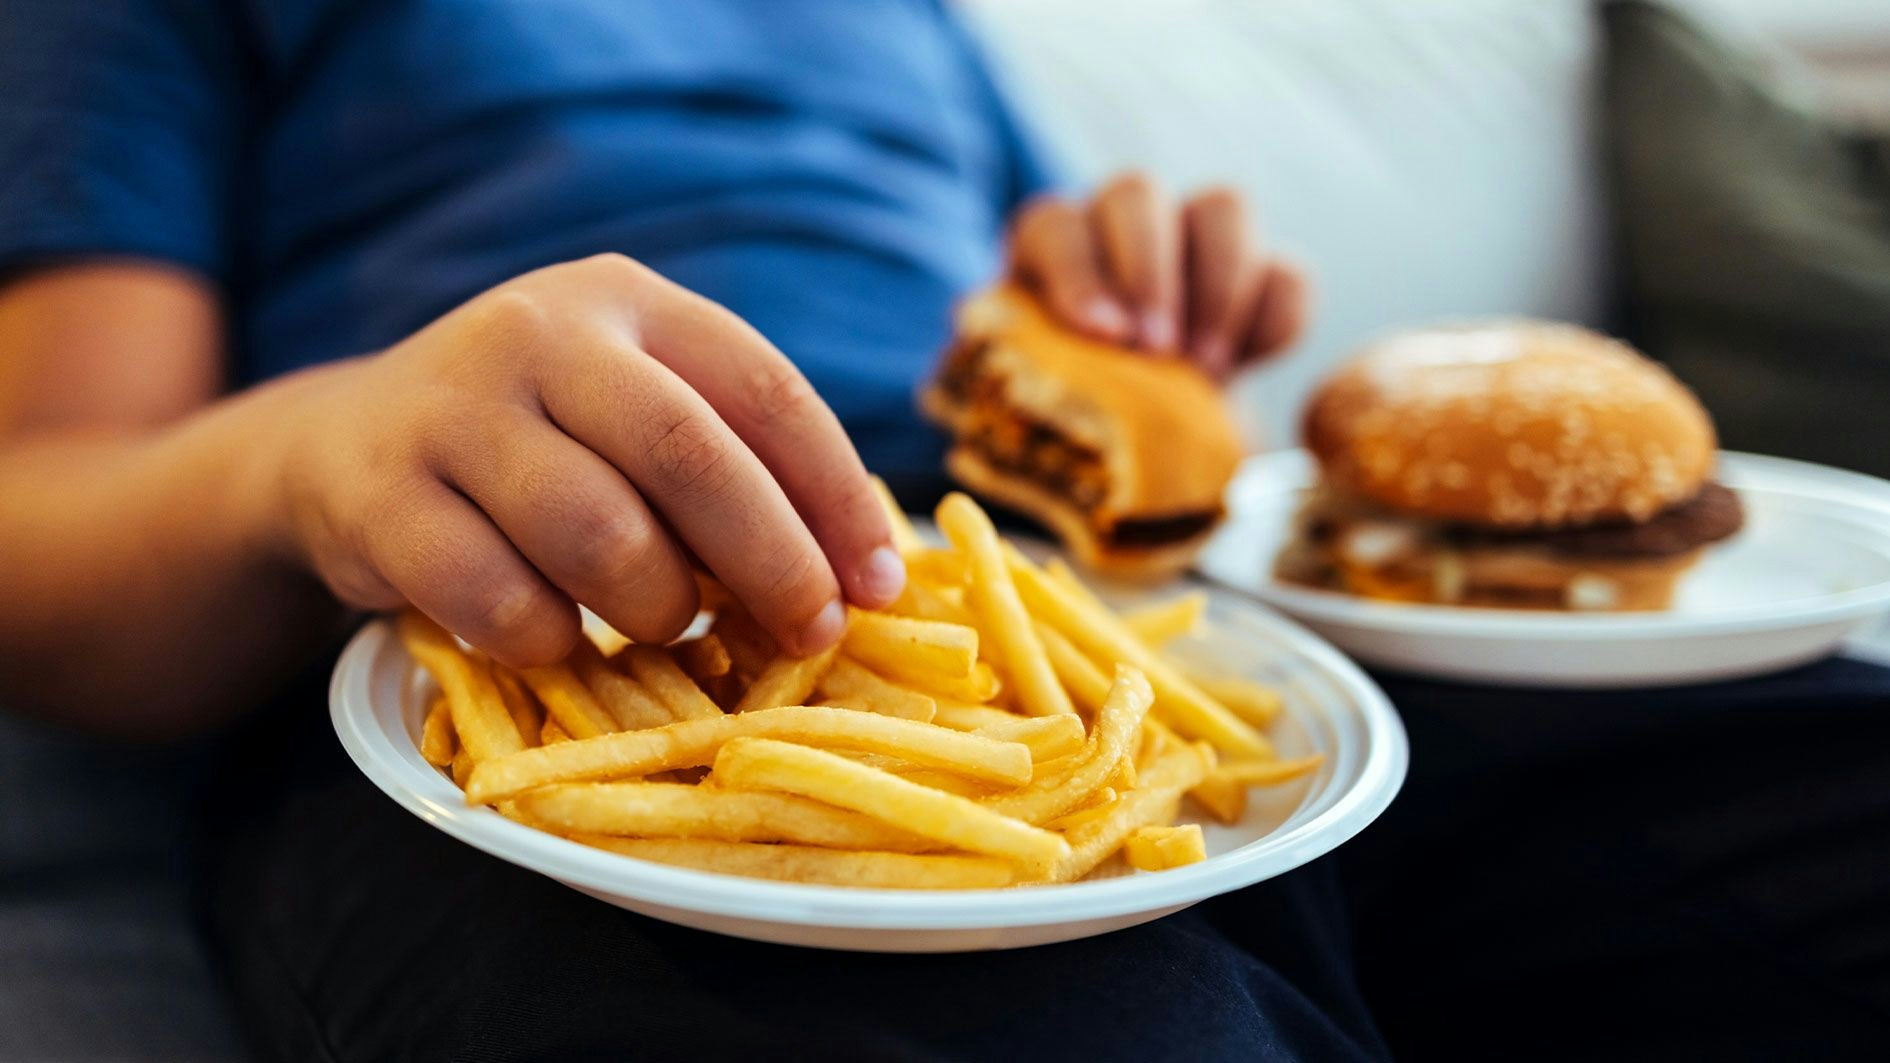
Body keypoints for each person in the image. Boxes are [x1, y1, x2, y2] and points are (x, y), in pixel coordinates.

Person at [0, 2, 1368, 1060]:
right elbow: (36, 514)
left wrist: (1132, 324)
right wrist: (309, 451)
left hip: (1060, 626)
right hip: (507, 641)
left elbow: (1031, 295)